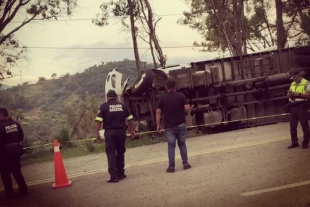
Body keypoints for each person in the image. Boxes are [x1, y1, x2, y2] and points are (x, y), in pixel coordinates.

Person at [95, 90, 136, 183]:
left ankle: (114, 176)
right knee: (121, 152)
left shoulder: (104, 106)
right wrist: (132, 131)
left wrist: (97, 133)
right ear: (116, 97)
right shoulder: (122, 106)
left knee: (111, 153)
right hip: (121, 132)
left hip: (110, 133)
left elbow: (98, 121)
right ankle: (121, 173)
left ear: (107, 97)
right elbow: (131, 119)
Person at [156, 79, 192, 173]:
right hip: (180, 124)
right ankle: (185, 164)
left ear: (166, 87)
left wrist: (158, 124)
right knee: (182, 144)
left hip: (169, 127)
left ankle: (171, 167)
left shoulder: (162, 98)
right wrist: (188, 105)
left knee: (171, 146)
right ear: (175, 87)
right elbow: (186, 108)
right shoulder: (181, 96)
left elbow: (158, 111)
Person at [0, 108, 28, 199]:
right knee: (17, 171)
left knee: (5, 173)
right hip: (16, 151)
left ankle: (10, 193)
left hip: (4, 153)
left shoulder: (0, 126)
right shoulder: (16, 123)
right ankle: (24, 190)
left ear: (2, 115)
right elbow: (21, 136)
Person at [287, 70, 310, 149]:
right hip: (292, 106)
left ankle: (305, 142)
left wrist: (298, 94)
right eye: (293, 78)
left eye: (295, 78)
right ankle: (294, 142)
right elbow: (291, 92)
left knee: (304, 126)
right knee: (292, 126)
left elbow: (309, 95)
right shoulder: (293, 83)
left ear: (300, 76)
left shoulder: (306, 83)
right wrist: (290, 94)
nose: (294, 80)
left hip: (301, 106)